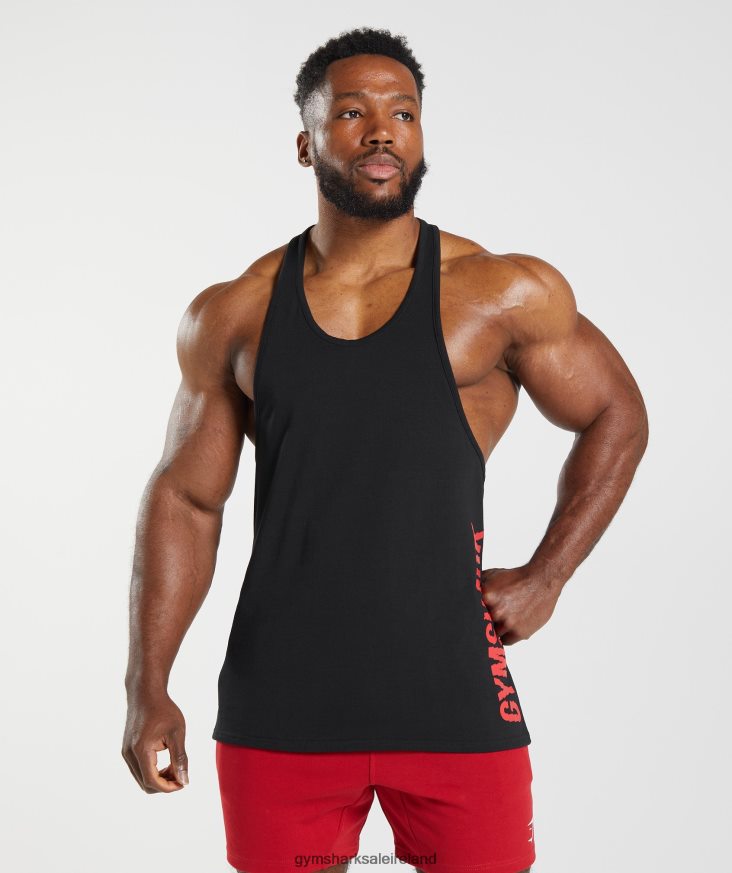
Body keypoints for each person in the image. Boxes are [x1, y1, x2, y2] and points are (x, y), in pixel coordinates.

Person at [121, 26, 648, 873]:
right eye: (352, 113)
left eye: (403, 113)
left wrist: (549, 574)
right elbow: (187, 499)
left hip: (456, 700)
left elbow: (617, 412)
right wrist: (147, 683)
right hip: (280, 702)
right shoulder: (235, 313)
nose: (381, 132)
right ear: (306, 143)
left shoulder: (501, 293)